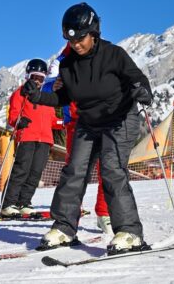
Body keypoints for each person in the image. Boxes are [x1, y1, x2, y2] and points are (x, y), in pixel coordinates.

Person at [21, 2, 153, 254]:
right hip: (89, 121)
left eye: (81, 37)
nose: (76, 44)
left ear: (94, 32)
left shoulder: (114, 54)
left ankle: (129, 232)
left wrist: (142, 91)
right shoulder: (69, 64)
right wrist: (37, 96)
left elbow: (138, 79)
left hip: (120, 118)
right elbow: (63, 98)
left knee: (112, 170)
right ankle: (64, 228)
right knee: (73, 171)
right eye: (70, 39)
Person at [50, 45, 113, 234]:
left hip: (103, 122)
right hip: (76, 124)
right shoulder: (62, 60)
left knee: (108, 169)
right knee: (75, 173)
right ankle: (67, 220)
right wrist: (53, 85)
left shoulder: (102, 56)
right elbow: (46, 84)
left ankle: (105, 215)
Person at [0, 59, 63, 217]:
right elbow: (12, 116)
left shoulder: (46, 96)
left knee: (35, 172)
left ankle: (24, 202)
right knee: (21, 170)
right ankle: (8, 204)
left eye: (41, 78)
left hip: (45, 139)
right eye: (35, 77)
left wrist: (65, 122)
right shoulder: (21, 92)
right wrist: (18, 122)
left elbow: (52, 120)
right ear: (28, 76)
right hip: (27, 136)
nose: (38, 81)